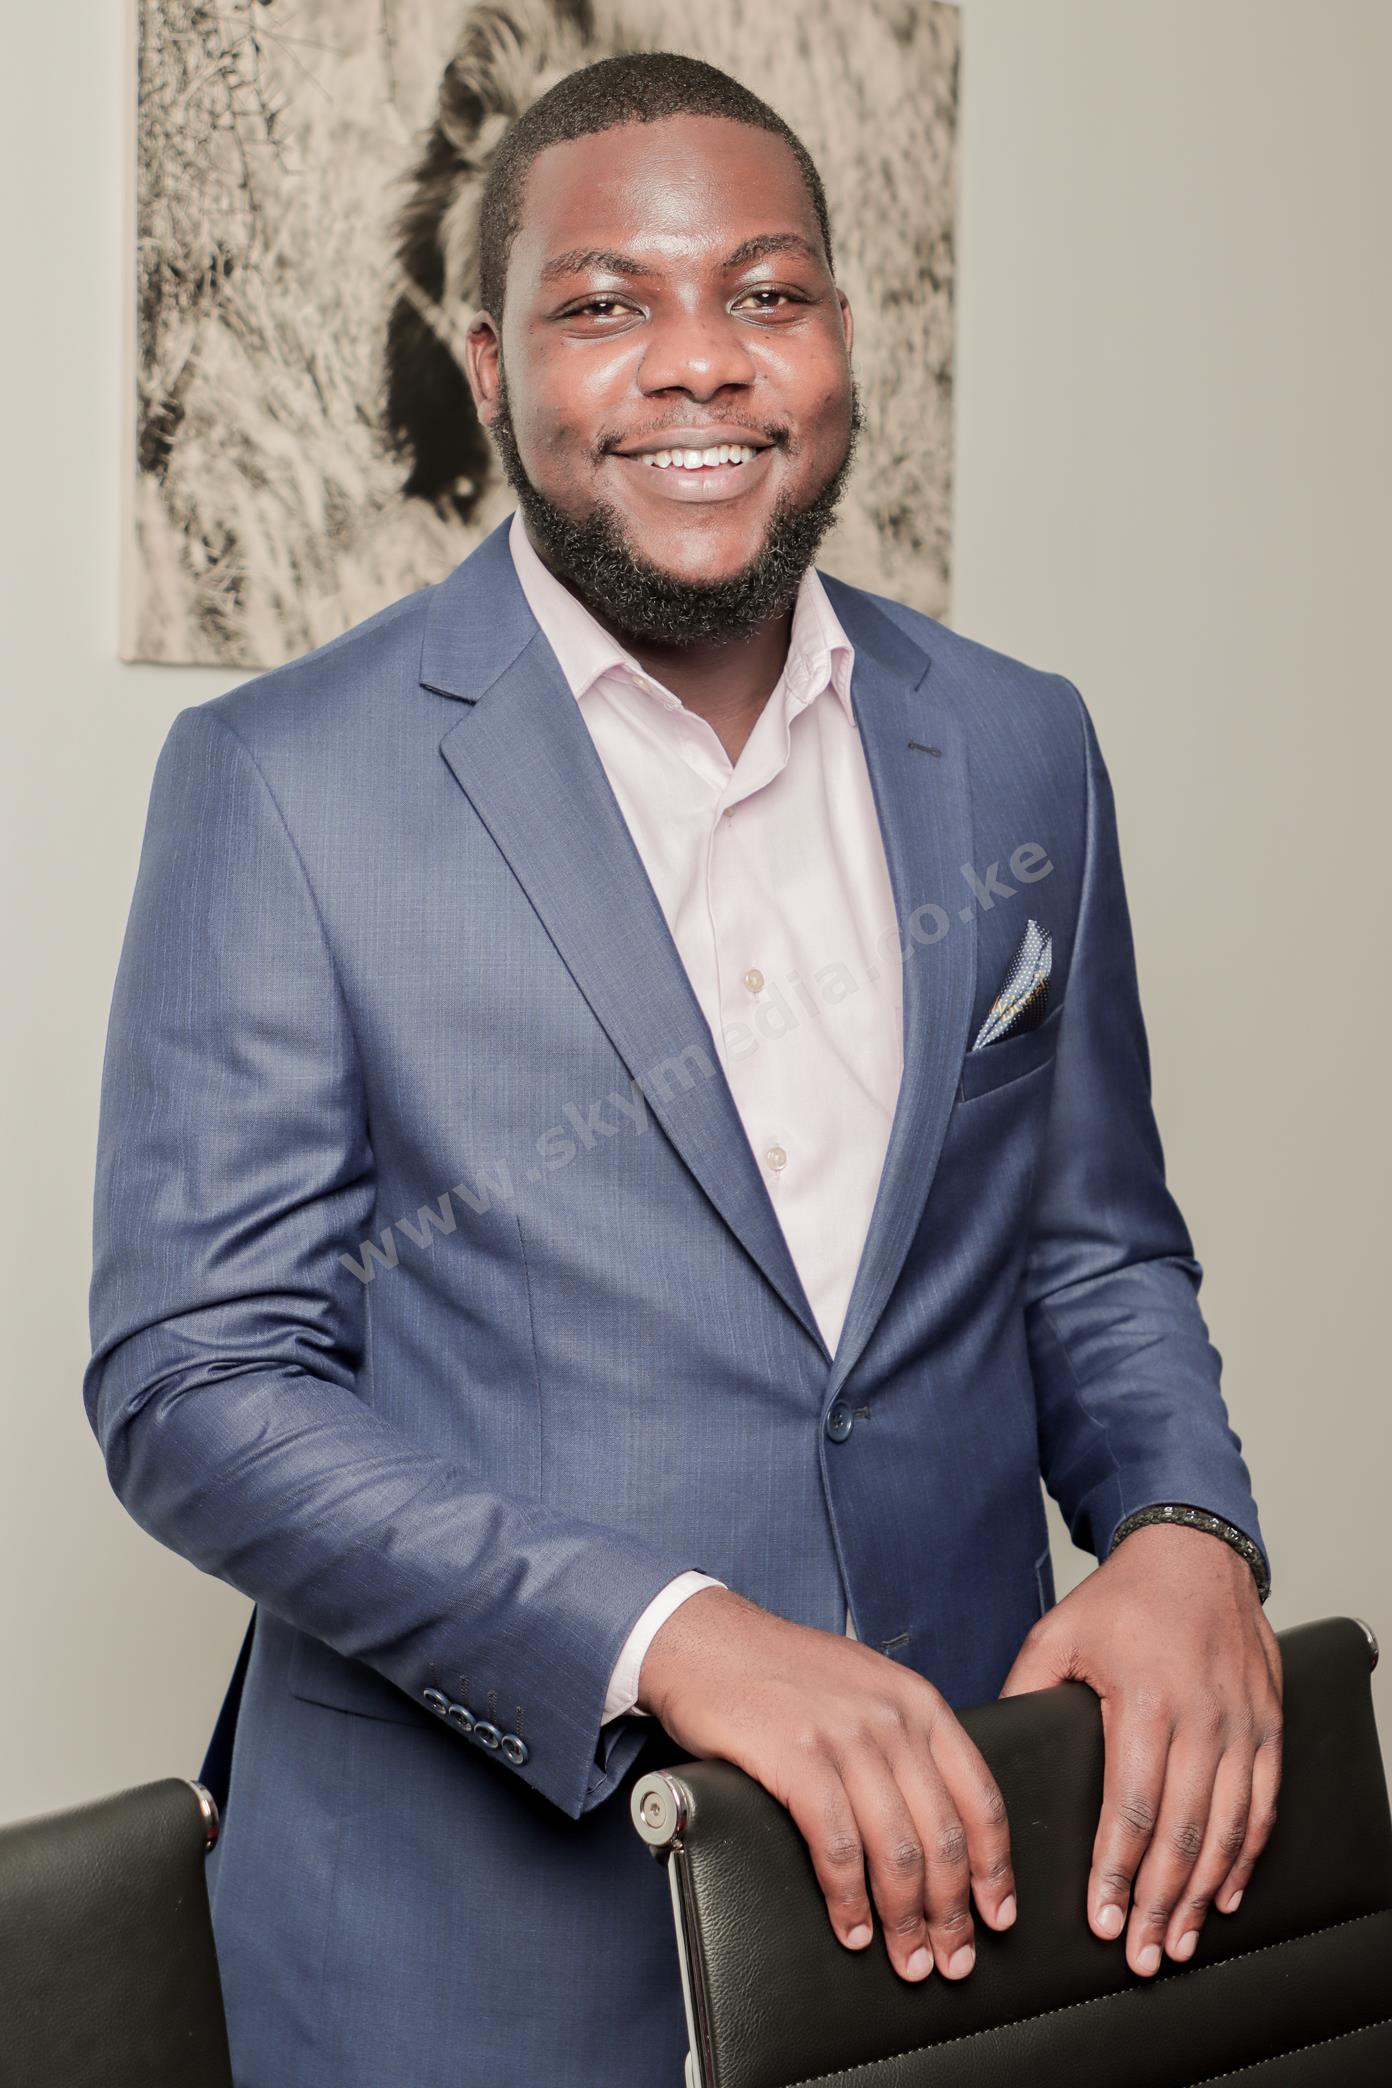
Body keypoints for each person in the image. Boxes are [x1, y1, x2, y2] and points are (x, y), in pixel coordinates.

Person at [84, 51, 1283, 2088]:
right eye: (604, 305)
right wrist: (671, 1632)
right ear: (485, 367)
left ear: (836, 335)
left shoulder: (1018, 745)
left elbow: (1091, 1249)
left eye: (767, 291)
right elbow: (195, 1384)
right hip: (459, 1964)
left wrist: (1185, 1530)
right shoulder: (279, 782)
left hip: (958, 1917)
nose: (700, 366)